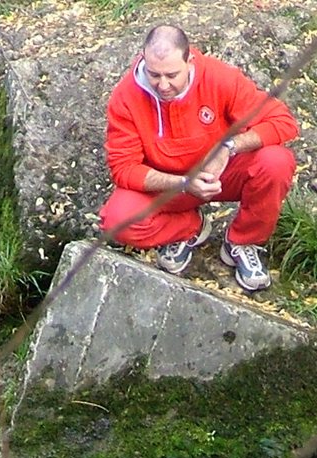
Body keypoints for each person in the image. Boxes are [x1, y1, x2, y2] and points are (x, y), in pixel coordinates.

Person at [100, 23, 299, 293]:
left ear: (189, 60)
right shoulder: (126, 97)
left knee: (276, 161)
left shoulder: (219, 78)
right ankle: (190, 227)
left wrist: (229, 146)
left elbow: (283, 122)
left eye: (172, 74)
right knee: (116, 221)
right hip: (170, 185)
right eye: (154, 74)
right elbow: (124, 169)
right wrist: (182, 183)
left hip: (222, 174)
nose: (163, 84)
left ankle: (242, 241)